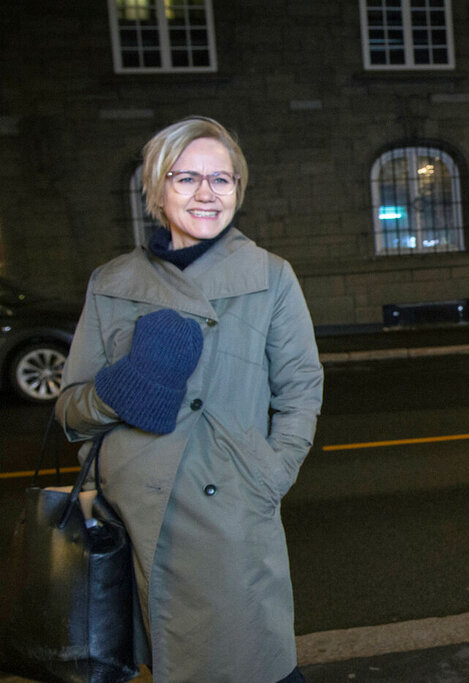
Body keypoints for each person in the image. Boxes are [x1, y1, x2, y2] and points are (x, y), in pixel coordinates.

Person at [56, 116, 324, 683]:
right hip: (134, 517)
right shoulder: (112, 282)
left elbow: (301, 387)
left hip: (232, 511)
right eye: (186, 178)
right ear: (157, 189)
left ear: (237, 190)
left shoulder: (270, 276)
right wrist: (124, 388)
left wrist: (270, 474)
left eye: (221, 179)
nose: (206, 193)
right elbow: (71, 411)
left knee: (258, 666)